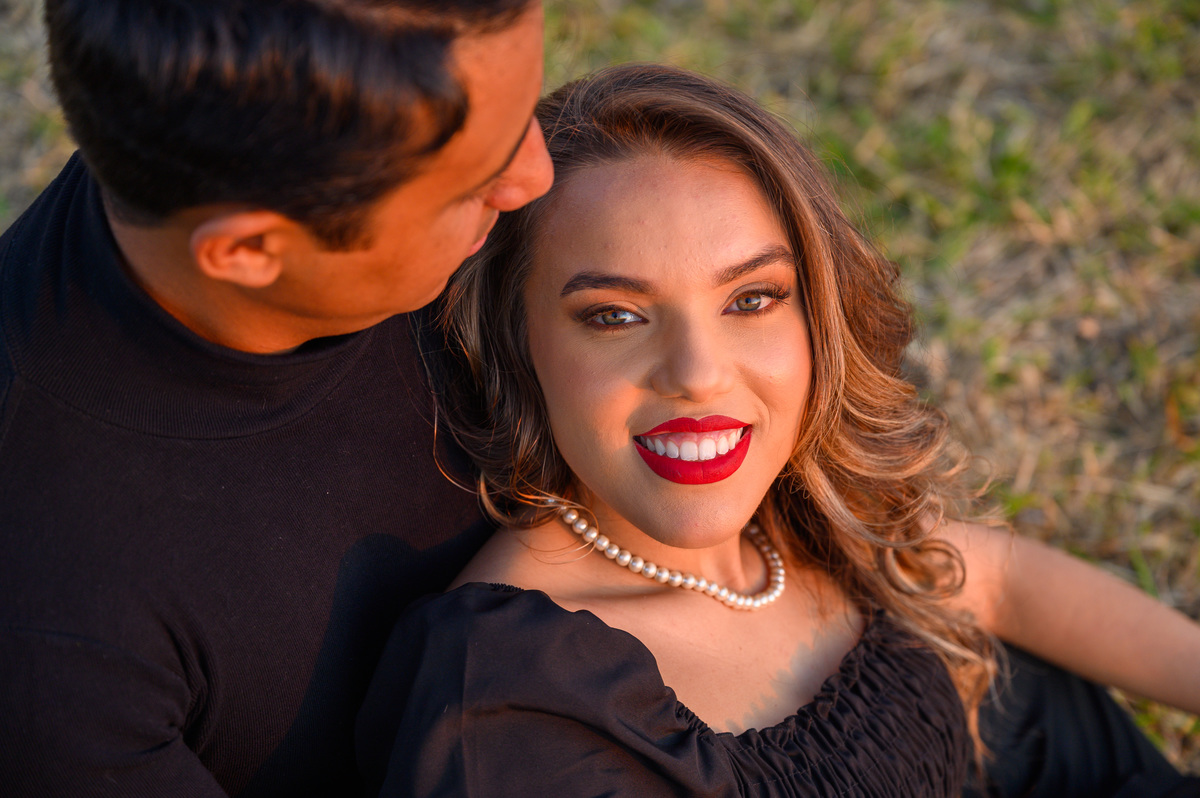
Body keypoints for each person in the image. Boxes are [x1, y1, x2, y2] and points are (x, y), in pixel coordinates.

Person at [356, 64, 1200, 797]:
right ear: (517, 340)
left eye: (751, 299)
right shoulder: (507, 704)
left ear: (816, 317)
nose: (697, 373)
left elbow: (1001, 581)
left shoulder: (798, 510)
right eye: (615, 315)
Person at [0, 1, 551, 795]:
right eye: (473, 182)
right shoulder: (55, 646)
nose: (538, 177)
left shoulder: (260, 144)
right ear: (250, 249)